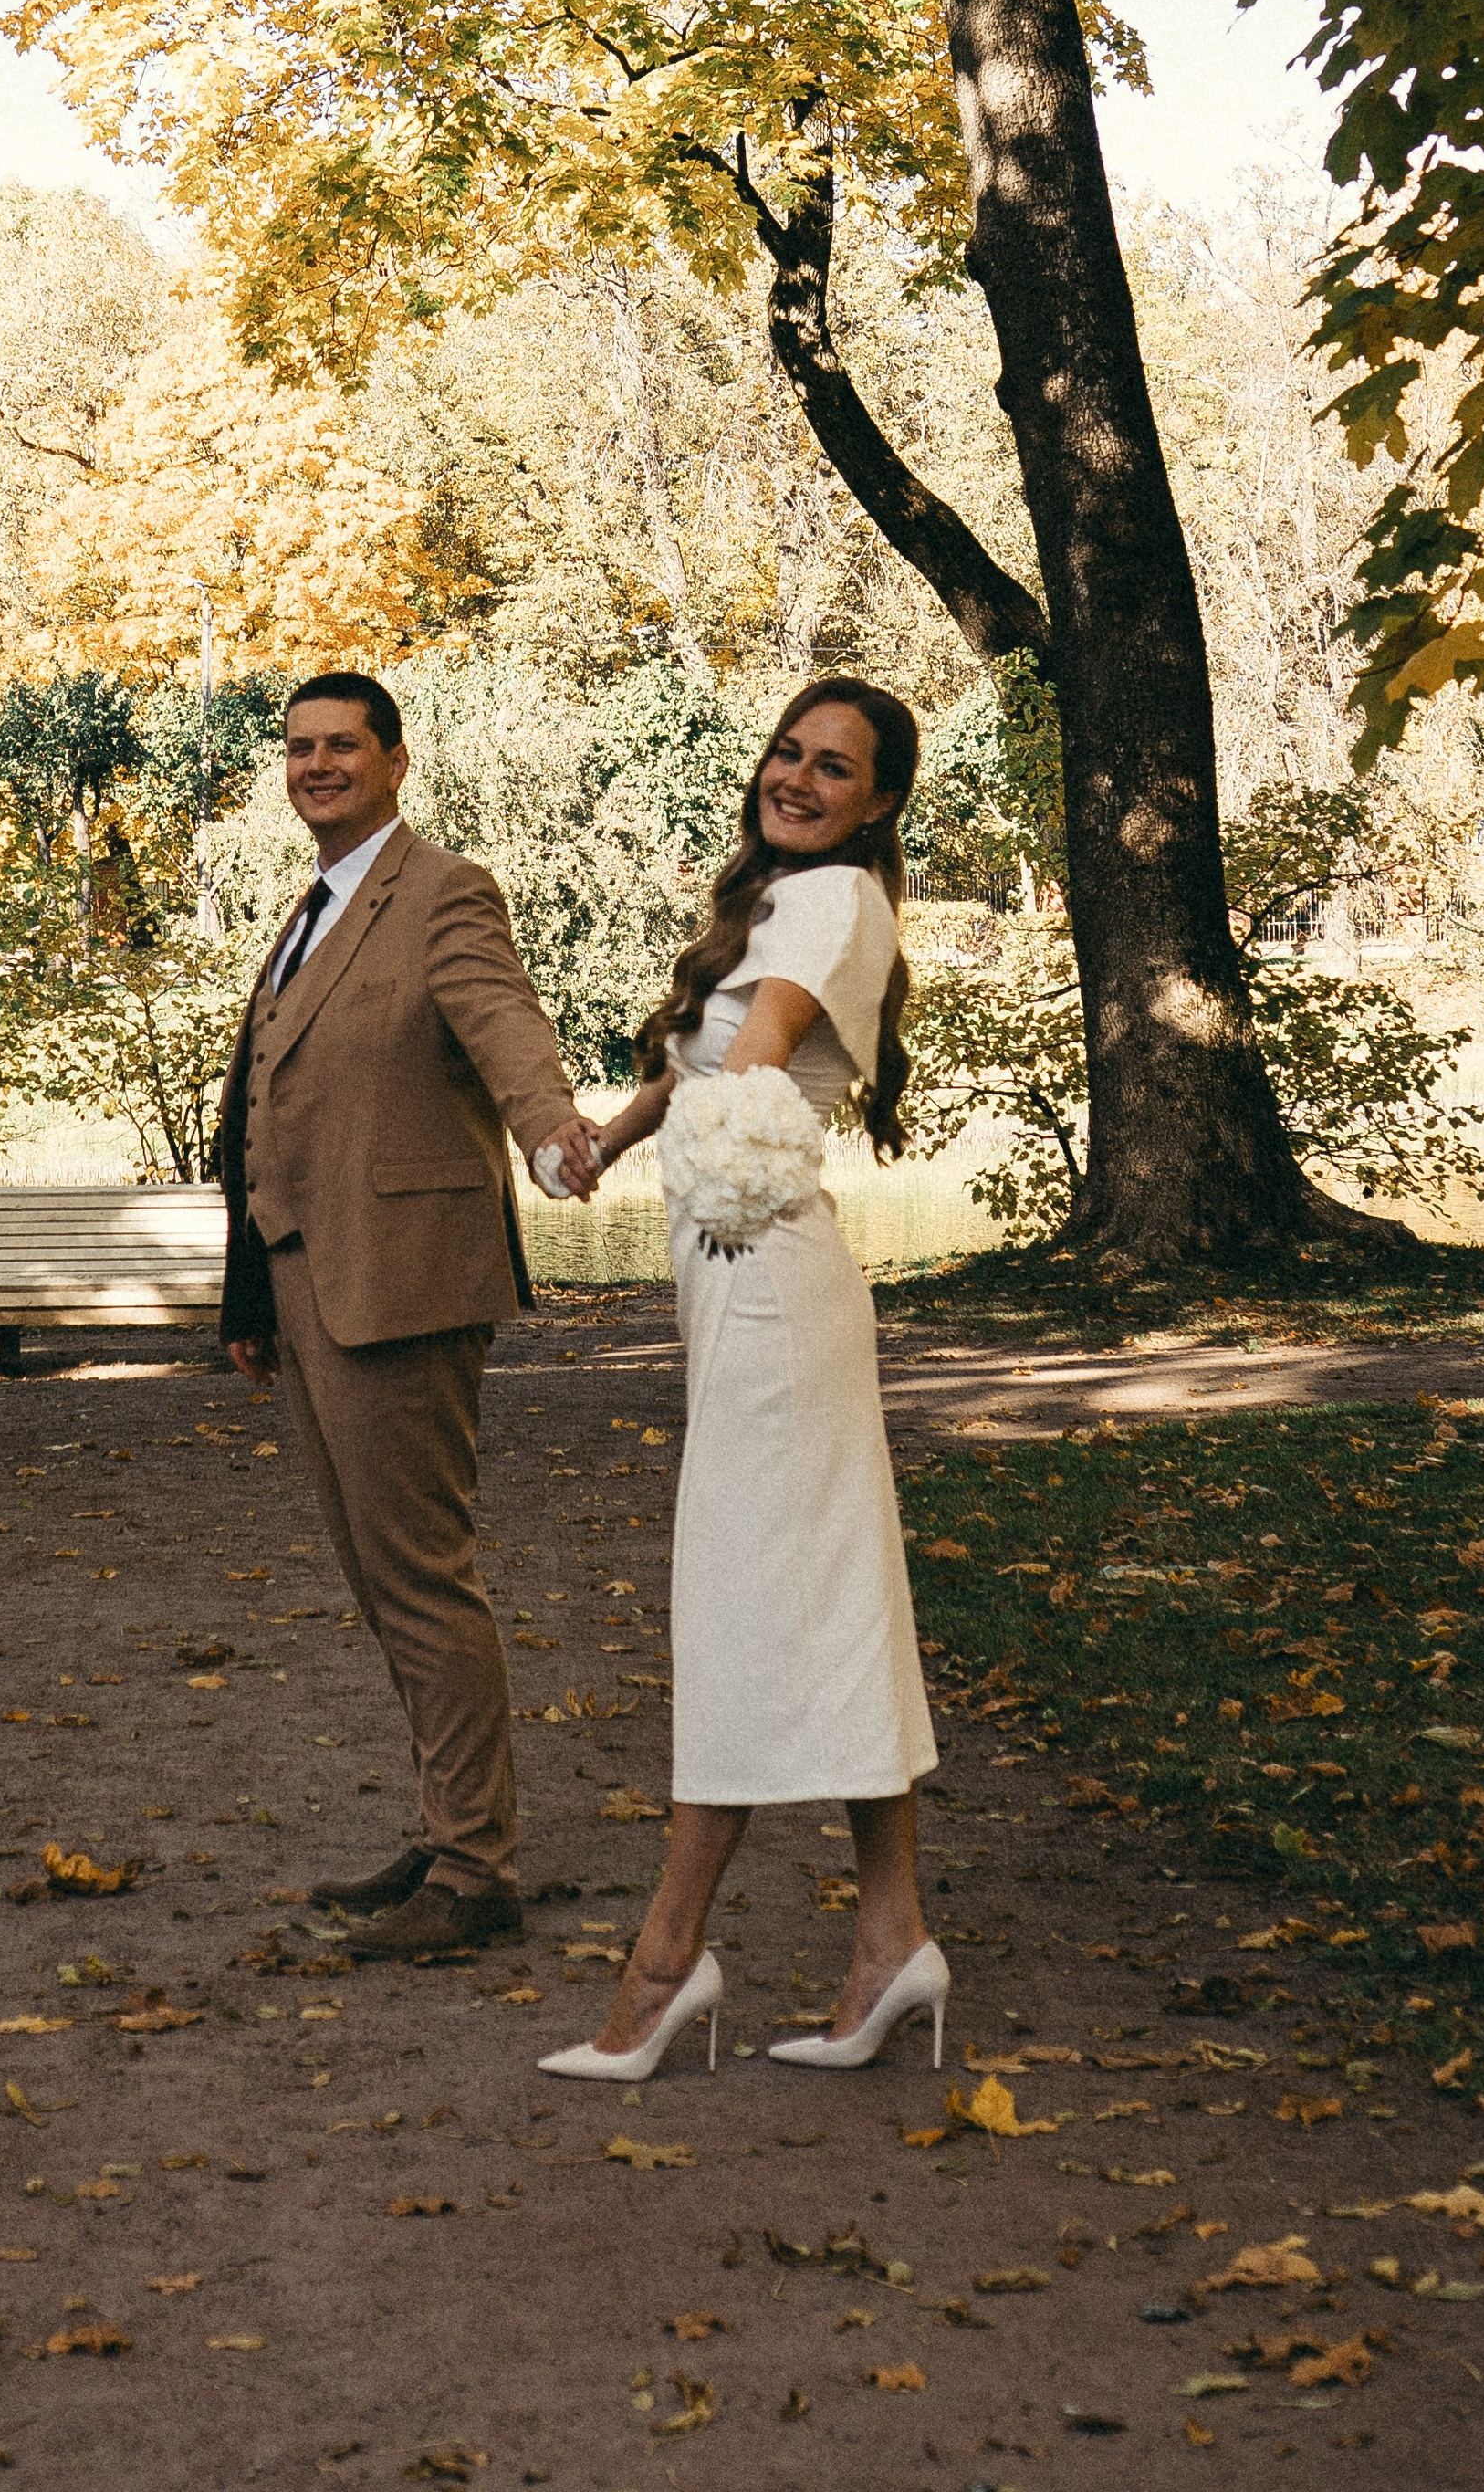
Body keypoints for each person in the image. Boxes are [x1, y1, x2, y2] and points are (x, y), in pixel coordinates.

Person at [537, 678, 945, 2084]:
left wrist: (689, 1140)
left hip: (766, 1275)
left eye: (834, 767)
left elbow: (756, 1065)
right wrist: (608, 1137)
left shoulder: (831, 901)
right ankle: (891, 1935)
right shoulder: (784, 903)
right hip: (744, 1274)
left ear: (878, 802)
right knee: (832, 1593)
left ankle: (666, 1962)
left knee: (744, 1599)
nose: (797, 778)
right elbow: (702, 1068)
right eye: (787, 752)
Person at [215, 672, 604, 1962]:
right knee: (381, 1581)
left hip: (406, 1283)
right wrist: (249, 1289)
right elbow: (270, 1102)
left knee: (423, 1580)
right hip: (309, 1283)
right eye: (300, 748)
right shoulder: (311, 910)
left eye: (344, 746)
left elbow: (504, 1026)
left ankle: (477, 1871)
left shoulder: (443, 891)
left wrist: (549, 1132)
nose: (318, 765)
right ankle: (450, 1831)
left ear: (394, 762)